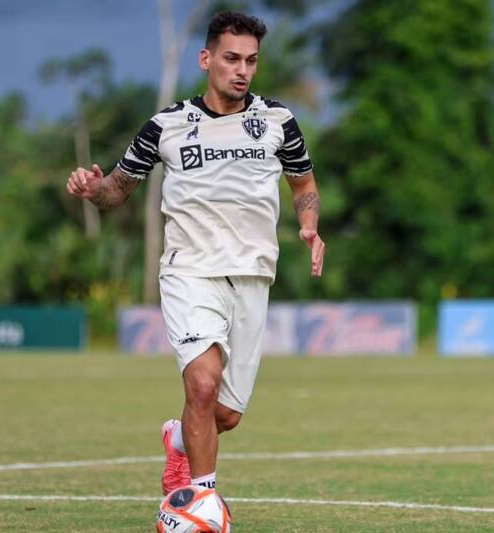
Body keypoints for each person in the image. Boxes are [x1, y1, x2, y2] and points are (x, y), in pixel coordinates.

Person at [66, 11, 324, 495]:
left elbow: (303, 182)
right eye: (231, 58)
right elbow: (118, 189)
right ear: (207, 59)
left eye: (251, 60)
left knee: (224, 413)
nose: (242, 69)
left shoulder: (277, 121)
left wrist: (309, 225)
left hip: (252, 275)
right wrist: (92, 187)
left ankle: (177, 439)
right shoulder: (167, 125)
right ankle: (201, 502)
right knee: (202, 386)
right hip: (190, 273)